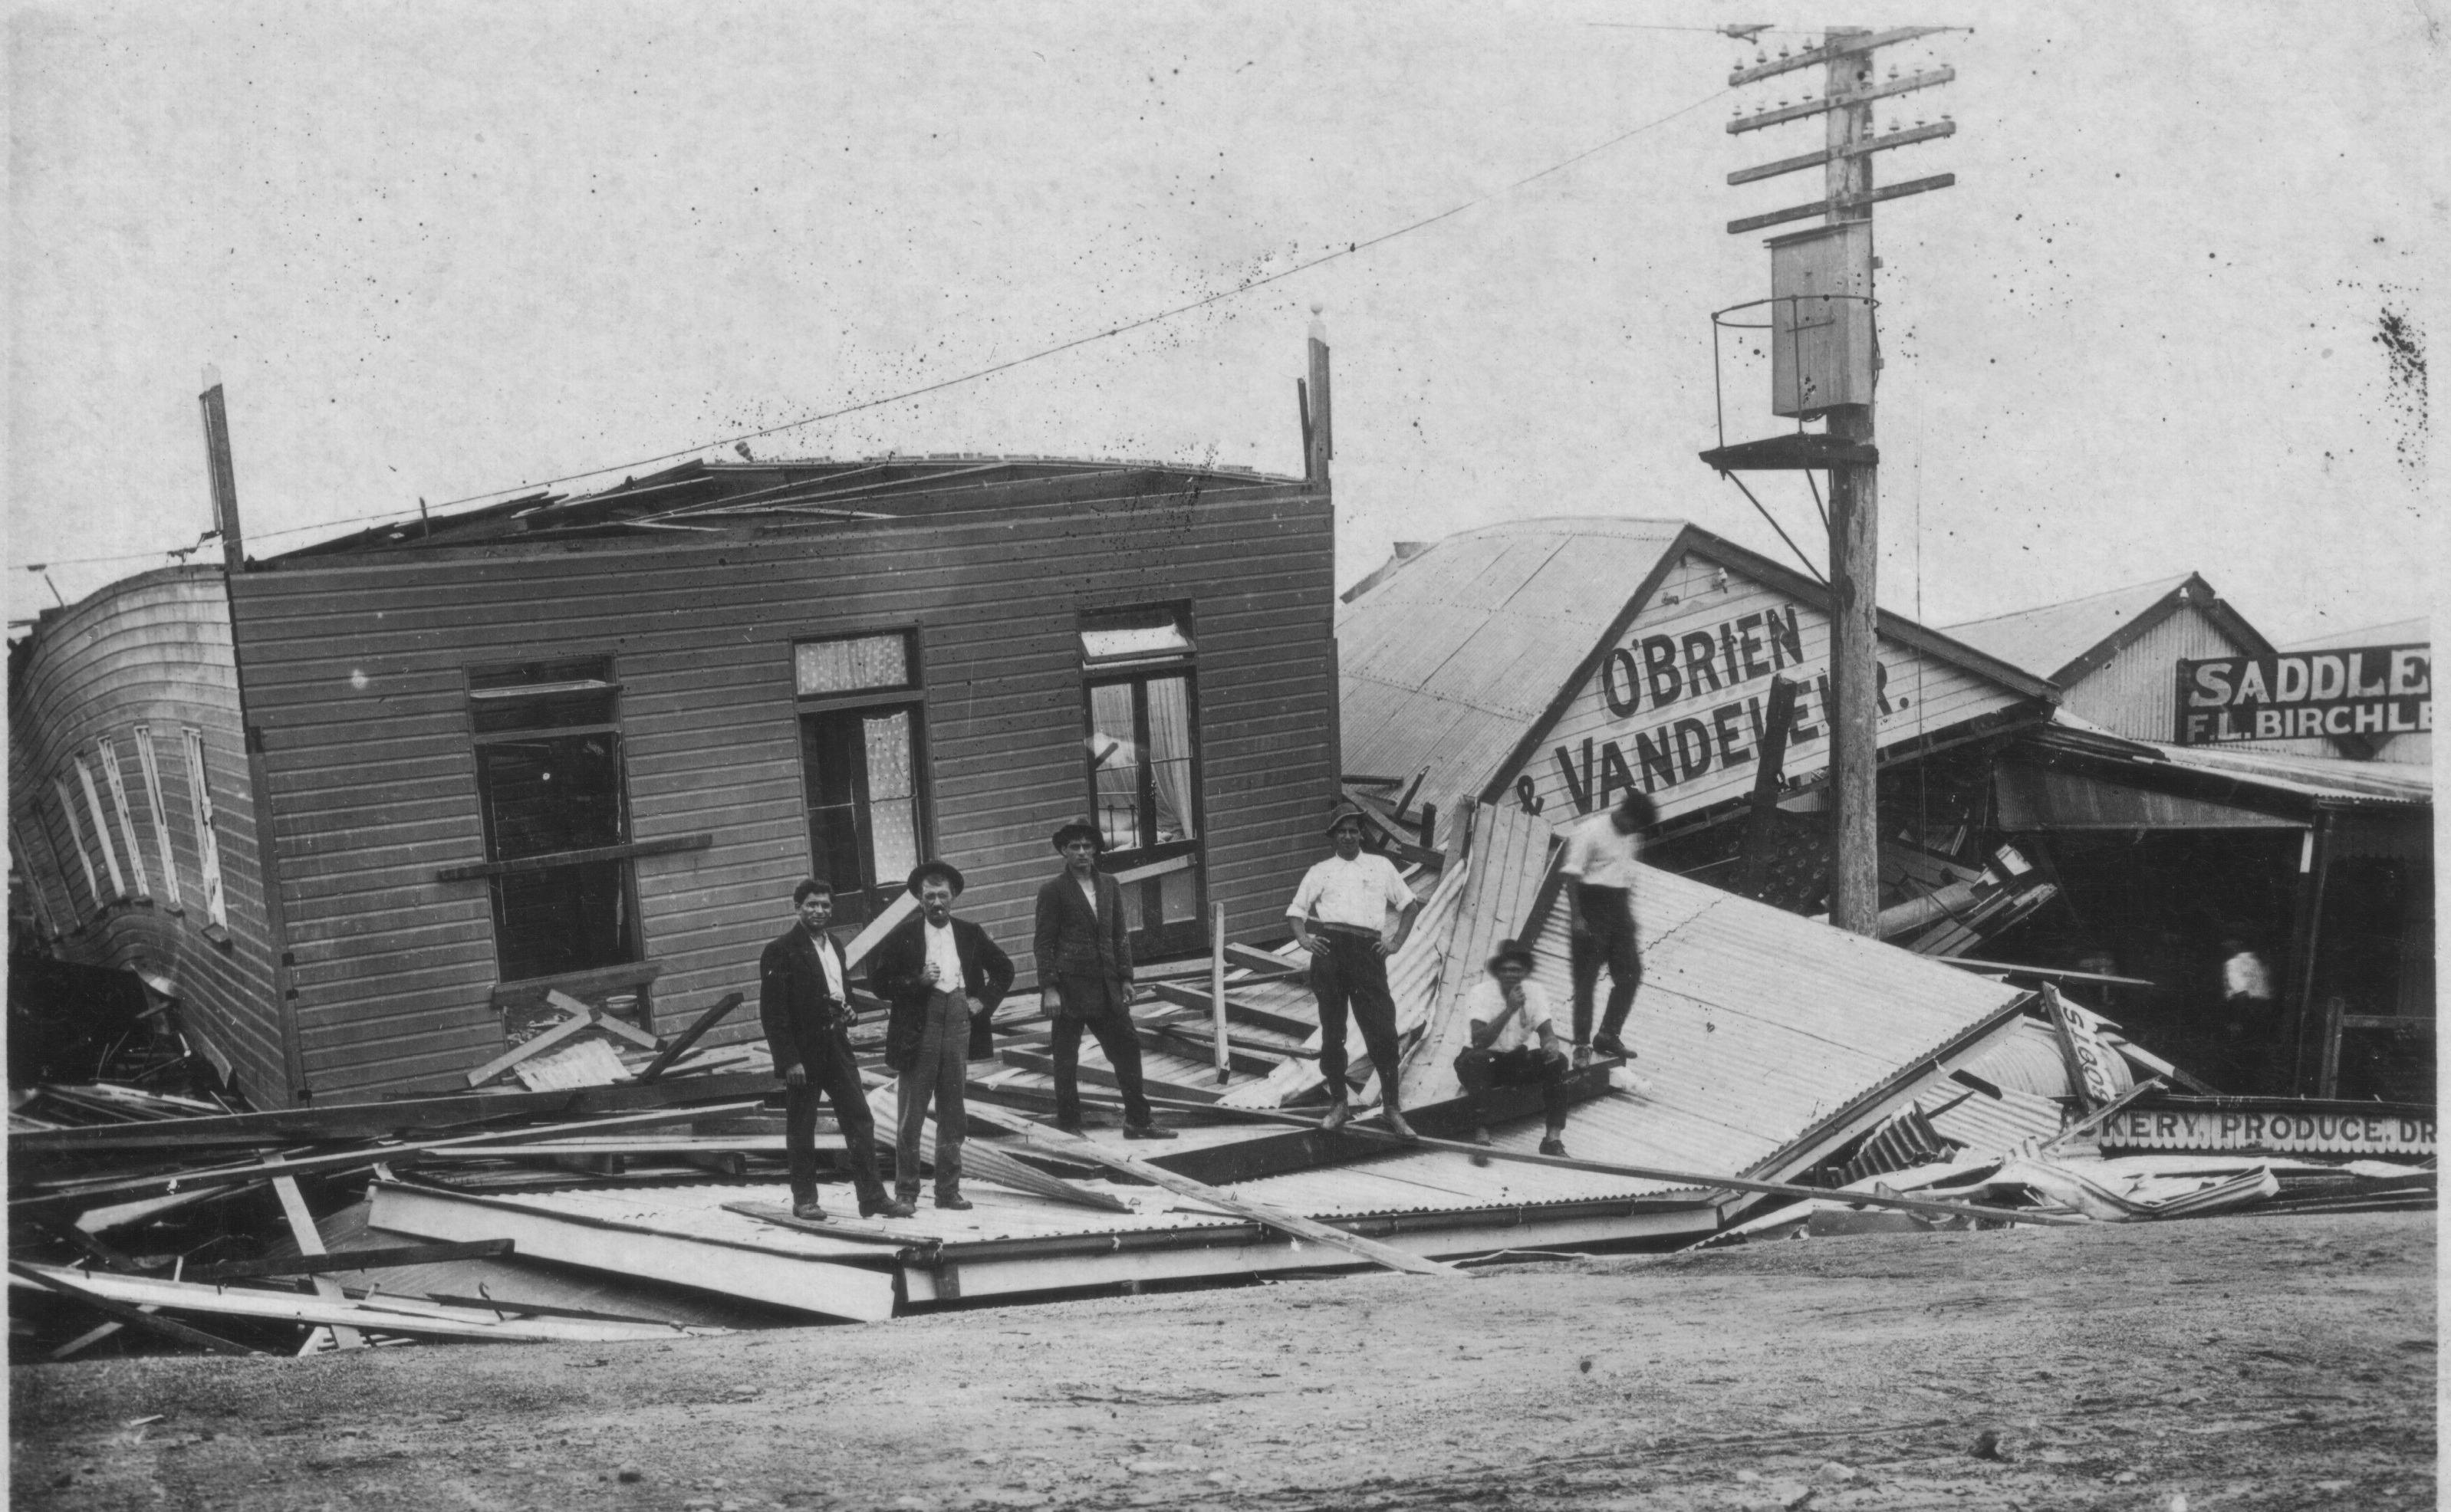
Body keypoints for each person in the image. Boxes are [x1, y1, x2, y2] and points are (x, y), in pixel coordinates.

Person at [758, 879, 910, 1220]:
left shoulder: (836, 945)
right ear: (797, 907)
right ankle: (805, 1200)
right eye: (812, 904)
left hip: (836, 1045)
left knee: (860, 1118)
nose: (819, 911)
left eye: (825, 905)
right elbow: (773, 1013)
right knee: (802, 1125)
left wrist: (850, 1011)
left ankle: (872, 1198)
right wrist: (789, 1061)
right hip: (803, 1053)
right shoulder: (780, 950)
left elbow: (841, 990)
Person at [867, 860, 1014, 1211]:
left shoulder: (970, 933)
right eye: (929, 896)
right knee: (912, 1113)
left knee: (953, 1112)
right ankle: (906, 1193)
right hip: (920, 1025)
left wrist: (982, 1001)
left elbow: (1005, 969)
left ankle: (948, 1191)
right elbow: (879, 984)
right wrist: (916, 981)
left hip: (959, 1022)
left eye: (942, 895)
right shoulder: (904, 935)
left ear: (953, 897)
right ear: (919, 899)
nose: (936, 903)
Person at [1285, 804, 1423, 1138]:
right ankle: (1339, 1104)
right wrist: (1305, 940)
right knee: (1333, 1031)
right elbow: (1296, 911)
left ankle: (1391, 1107)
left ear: (1361, 834)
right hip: (1330, 953)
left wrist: (1395, 942)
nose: (1348, 836)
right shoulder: (1320, 870)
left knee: (1383, 1030)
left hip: (1367, 953)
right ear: (1333, 837)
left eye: (1353, 830)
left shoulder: (1381, 866)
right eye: (1342, 831)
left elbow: (1410, 906)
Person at [1034, 820, 1174, 1140]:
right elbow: (1043, 943)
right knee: (1066, 1060)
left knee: (1128, 1048)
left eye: (1088, 846)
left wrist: (1126, 978)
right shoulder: (1053, 890)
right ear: (1064, 851)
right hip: (1069, 991)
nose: (1082, 852)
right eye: (1075, 847)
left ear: (1096, 849)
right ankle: (1070, 1126)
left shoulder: (1109, 884)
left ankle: (1138, 1121)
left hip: (1107, 987)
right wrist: (1050, 988)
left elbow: (1119, 934)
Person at [1453, 938, 1571, 1161]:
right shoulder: (1481, 992)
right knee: (1480, 1059)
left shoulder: (1535, 991)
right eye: (1505, 970)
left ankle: (1552, 1139)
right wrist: (1509, 1010)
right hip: (1480, 1060)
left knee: (1559, 1061)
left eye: (1516, 970)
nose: (1510, 975)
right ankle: (1481, 1138)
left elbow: (1547, 1032)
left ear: (1524, 972)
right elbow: (1479, 1041)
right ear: (1498, 972)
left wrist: (1550, 1045)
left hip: (1512, 1062)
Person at [1561, 791, 1655, 1064]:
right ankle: (1581, 1045)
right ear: (1624, 813)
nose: (1633, 831)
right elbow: (1571, 877)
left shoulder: (1633, 836)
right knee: (1586, 982)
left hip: (1619, 910)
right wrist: (1577, 918)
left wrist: (1628, 916)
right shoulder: (1589, 831)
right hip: (1591, 907)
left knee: (1631, 974)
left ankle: (1608, 1034)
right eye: (1632, 824)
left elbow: (1624, 874)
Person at [2216, 936, 2275, 1093]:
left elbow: (2241, 994)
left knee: (2238, 1058)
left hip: (2246, 1012)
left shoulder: (2234, 964)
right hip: (2262, 1013)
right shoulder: (2257, 962)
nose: (2225, 944)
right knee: (2255, 1059)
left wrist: (2236, 1021)